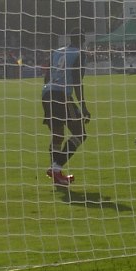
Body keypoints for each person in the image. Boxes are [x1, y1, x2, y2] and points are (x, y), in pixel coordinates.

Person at [42, 28, 91, 186]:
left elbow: (47, 76)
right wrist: (83, 106)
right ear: (83, 40)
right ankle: (56, 168)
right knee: (80, 133)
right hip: (62, 95)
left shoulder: (56, 51)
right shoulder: (79, 53)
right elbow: (77, 81)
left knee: (57, 136)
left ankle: (57, 177)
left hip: (47, 93)